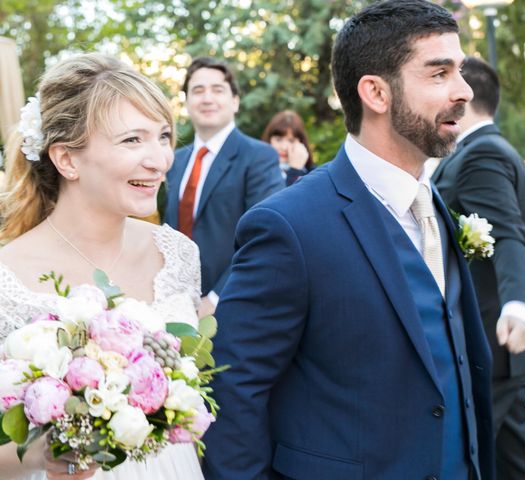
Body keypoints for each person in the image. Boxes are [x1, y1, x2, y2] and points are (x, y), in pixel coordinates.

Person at [203, 2, 497, 479]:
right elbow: (231, 392)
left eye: (459, 70)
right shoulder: (288, 227)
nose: (463, 91)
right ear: (376, 92)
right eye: (439, 73)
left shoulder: (434, 206)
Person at [0, 53, 204, 480]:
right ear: (67, 159)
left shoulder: (179, 255)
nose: (159, 159)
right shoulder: (8, 276)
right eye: (132, 140)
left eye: (163, 136)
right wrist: (41, 455)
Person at [432, 56, 525, 480]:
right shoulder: (486, 149)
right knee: (515, 461)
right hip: (498, 347)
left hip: (490, 341)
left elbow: (506, 235)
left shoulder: (481, 155)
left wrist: (519, 303)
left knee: (467, 459)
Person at [164, 58, 284, 317]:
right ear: (187, 102)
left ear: (235, 101)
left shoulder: (259, 157)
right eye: (198, 90)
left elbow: (264, 236)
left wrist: (216, 299)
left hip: (232, 306)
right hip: (175, 306)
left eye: (218, 90)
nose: (207, 98)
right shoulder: (174, 161)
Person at [261, 110, 314, 186]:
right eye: (278, 140)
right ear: (269, 140)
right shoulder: (259, 173)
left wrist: (296, 170)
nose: (284, 147)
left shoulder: (313, 173)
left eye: (291, 141)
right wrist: (295, 171)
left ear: (301, 143)